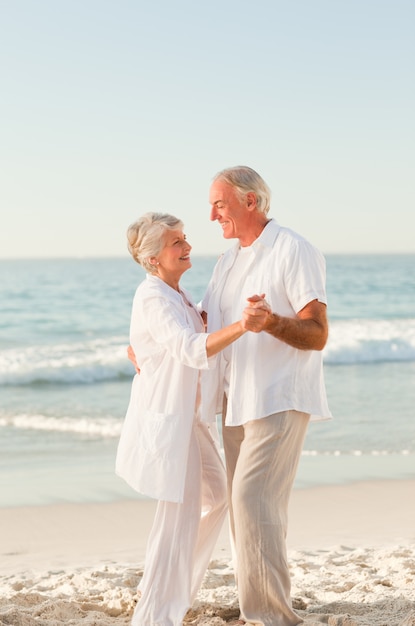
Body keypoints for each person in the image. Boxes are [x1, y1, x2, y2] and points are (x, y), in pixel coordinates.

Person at [199, 166, 332, 626]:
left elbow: (317, 333)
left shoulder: (293, 249)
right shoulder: (227, 261)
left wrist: (272, 322)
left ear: (250, 202)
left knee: (253, 501)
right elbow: (205, 322)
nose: (212, 214)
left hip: (278, 395)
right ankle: (259, 604)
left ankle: (270, 616)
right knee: (247, 510)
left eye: (220, 203)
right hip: (236, 401)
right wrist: (149, 337)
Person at [115, 212, 261, 626]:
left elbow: (176, 333)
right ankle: (157, 613)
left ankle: (167, 587)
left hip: (190, 420)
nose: (187, 246)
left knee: (218, 498)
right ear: (153, 258)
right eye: (176, 242)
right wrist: (242, 326)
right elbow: (189, 349)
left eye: (184, 238)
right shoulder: (153, 296)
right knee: (177, 518)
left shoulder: (175, 294)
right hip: (170, 422)